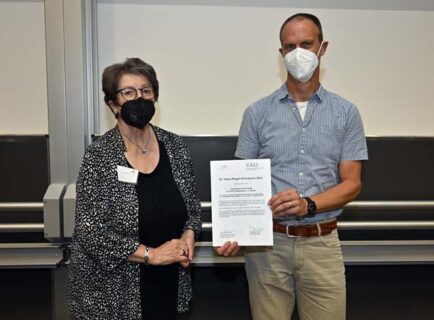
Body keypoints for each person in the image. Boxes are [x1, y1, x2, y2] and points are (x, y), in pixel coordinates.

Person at [217, 13, 368, 320]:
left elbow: (352, 183)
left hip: (322, 244)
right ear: (281, 54)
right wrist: (233, 231)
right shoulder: (257, 113)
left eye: (306, 44)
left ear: (322, 47)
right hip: (267, 249)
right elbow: (239, 183)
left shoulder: (346, 113)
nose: (298, 53)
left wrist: (307, 204)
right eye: (290, 46)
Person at [67, 57, 201, 320]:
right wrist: (152, 254)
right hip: (112, 291)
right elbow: (90, 232)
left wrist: (188, 237)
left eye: (146, 90)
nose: (139, 98)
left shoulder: (174, 146)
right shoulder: (100, 156)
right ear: (113, 104)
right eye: (128, 92)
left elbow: (192, 209)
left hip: (168, 281)